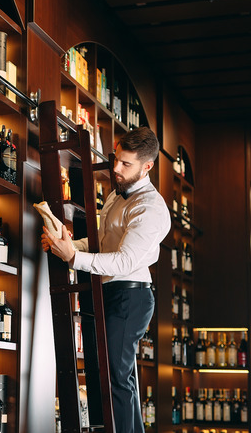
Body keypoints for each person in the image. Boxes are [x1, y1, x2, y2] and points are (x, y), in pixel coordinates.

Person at [41, 127, 170, 433]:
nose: (116, 169)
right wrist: (69, 247)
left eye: (126, 164)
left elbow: (124, 261)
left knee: (114, 376)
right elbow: (102, 243)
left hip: (131, 297)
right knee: (110, 376)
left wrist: (73, 258)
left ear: (147, 166)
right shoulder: (115, 193)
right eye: (116, 160)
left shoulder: (150, 208)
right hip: (105, 291)